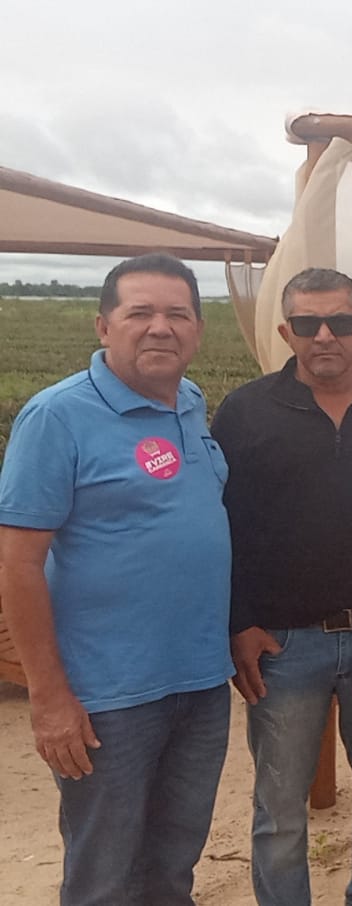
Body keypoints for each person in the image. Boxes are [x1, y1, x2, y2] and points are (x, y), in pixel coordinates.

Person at [0, 253, 233, 906]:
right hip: (106, 695)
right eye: (140, 313)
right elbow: (16, 563)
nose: (160, 327)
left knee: (173, 865)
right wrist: (49, 698)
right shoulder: (57, 417)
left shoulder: (190, 402)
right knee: (104, 877)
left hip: (199, 683)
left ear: (197, 330)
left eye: (177, 314)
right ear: (104, 327)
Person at [212, 267, 352, 906]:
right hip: (282, 643)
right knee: (279, 806)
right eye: (307, 323)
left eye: (340, 322)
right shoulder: (246, 412)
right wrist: (239, 622)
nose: (324, 335)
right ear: (285, 331)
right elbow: (224, 525)